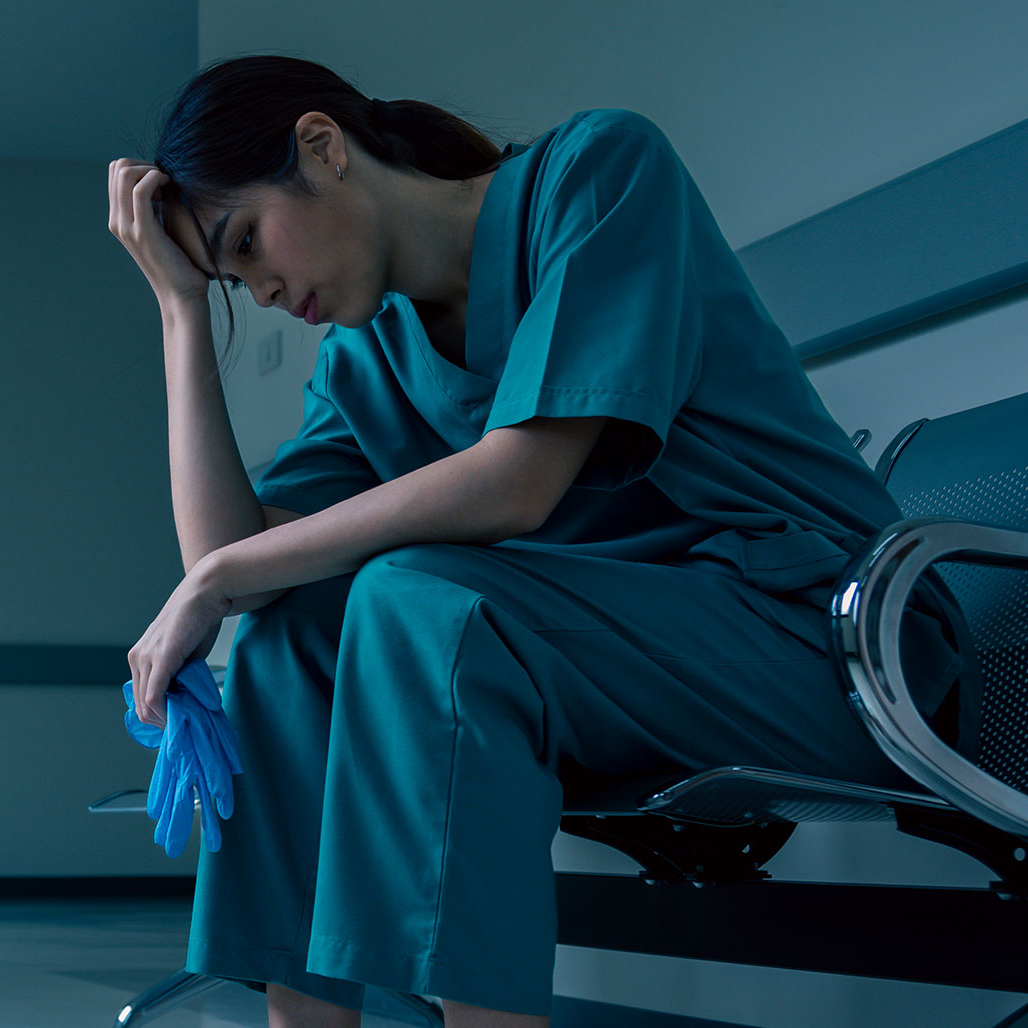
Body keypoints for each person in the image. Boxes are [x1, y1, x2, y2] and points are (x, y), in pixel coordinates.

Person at [106, 55, 966, 1028]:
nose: (259, 289)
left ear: (322, 146)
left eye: (249, 242)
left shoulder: (598, 172)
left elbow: (519, 479)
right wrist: (181, 313)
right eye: (232, 276)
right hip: (616, 682)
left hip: (829, 647)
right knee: (290, 628)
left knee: (421, 599)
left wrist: (218, 576)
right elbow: (241, 573)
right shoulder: (368, 353)